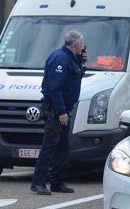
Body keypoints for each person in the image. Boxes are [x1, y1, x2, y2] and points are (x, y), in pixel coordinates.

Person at [30, 30, 88, 195]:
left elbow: (74, 79)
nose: (83, 47)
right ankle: (38, 183)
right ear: (76, 44)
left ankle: (57, 182)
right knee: (49, 147)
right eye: (82, 44)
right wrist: (61, 112)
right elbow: (55, 88)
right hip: (55, 111)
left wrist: (82, 64)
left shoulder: (72, 58)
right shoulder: (60, 58)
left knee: (63, 147)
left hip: (63, 110)